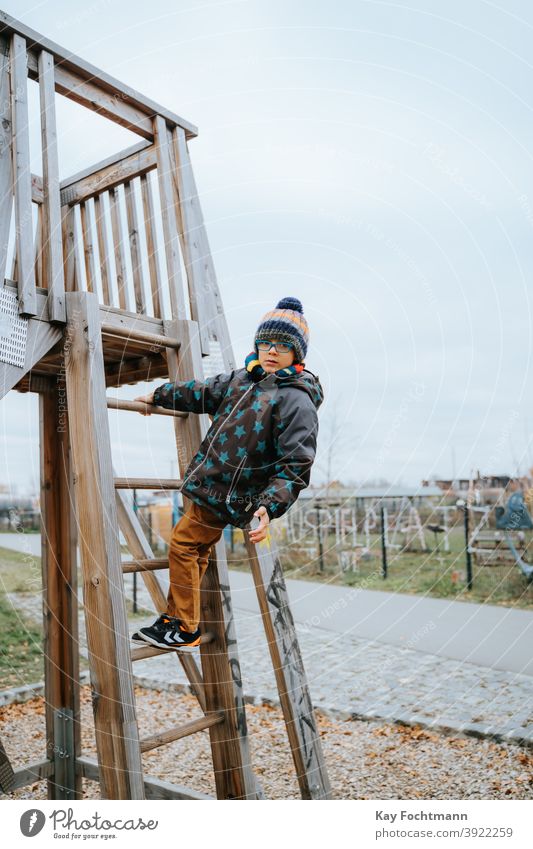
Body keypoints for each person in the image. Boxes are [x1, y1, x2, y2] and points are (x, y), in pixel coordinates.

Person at [132, 296, 324, 651]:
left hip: (233, 493)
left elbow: (296, 463)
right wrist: (157, 396)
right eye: (265, 343)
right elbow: (200, 393)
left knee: (184, 545)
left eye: (282, 346)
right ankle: (176, 619)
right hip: (212, 485)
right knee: (196, 549)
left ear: (296, 354)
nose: (271, 351)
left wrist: (269, 505)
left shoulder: (295, 399)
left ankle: (183, 627)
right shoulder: (241, 380)